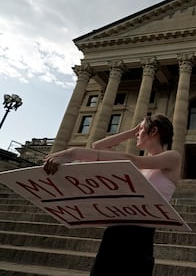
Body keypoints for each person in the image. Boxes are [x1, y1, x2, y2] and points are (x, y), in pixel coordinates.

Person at [43, 114, 181, 275]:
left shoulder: (172, 157)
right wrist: (132, 131)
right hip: (115, 230)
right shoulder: (140, 166)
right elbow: (98, 146)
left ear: (154, 131)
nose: (137, 133)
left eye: (141, 129)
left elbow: (132, 160)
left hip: (140, 236)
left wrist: (73, 152)